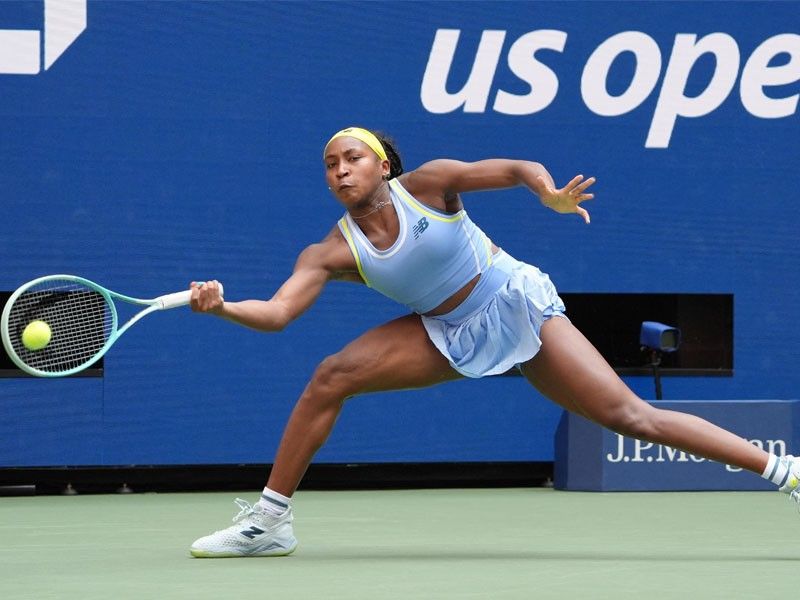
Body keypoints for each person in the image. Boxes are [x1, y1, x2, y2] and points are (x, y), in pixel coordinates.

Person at [187, 126, 800, 558]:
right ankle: (270, 520)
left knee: (631, 416)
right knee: (331, 374)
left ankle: (784, 471)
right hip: (444, 330)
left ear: (383, 166)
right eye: (330, 164)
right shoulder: (331, 250)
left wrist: (548, 193)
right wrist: (224, 308)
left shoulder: (430, 184)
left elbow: (513, 170)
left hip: (512, 301)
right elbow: (276, 312)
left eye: (351, 158)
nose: (340, 170)